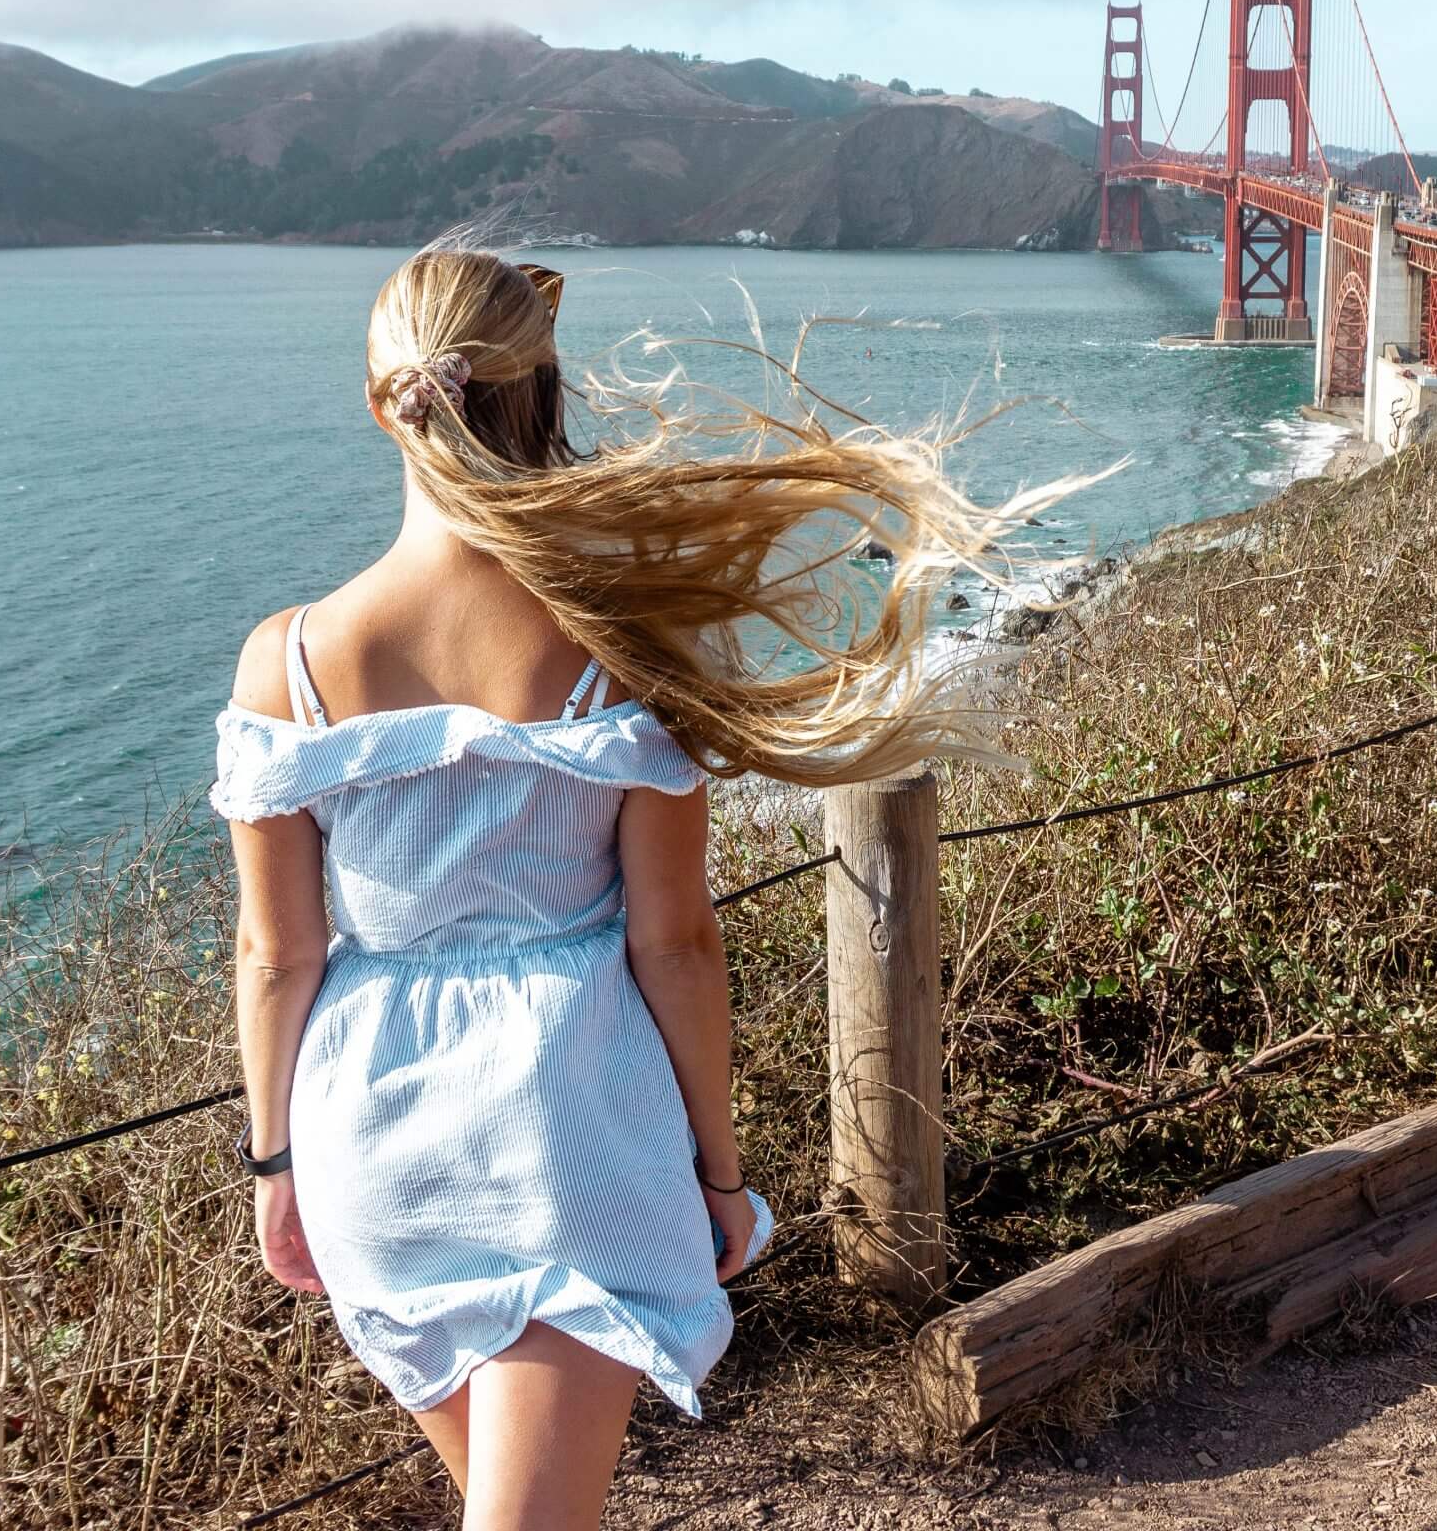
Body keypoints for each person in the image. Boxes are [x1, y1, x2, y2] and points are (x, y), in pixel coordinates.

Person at [212, 242, 1055, 1530]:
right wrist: (722, 1177)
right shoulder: (623, 639)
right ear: (546, 392)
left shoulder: (290, 664)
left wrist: (275, 1165)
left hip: (371, 1140)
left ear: (387, 401)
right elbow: (677, 945)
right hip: (573, 1132)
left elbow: (280, 958)